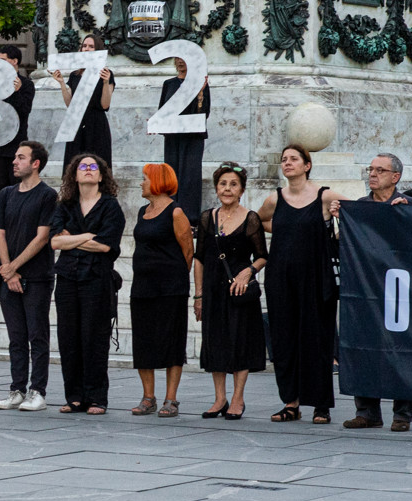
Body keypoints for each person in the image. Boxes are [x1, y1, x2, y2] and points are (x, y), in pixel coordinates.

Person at [257, 144, 346, 423]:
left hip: (316, 278)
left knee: (317, 340)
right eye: (284, 159)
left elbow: (357, 210)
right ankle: (291, 403)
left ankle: (321, 405)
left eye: (294, 159)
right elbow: (257, 221)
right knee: (284, 340)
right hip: (281, 278)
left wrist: (337, 215)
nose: (287, 163)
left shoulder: (324, 195)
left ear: (307, 165)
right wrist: (284, 227)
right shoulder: (275, 199)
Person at [344, 152, 412, 431]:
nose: (372, 174)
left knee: (402, 349)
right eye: (370, 169)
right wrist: (342, 220)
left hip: (399, 291)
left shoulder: (408, 204)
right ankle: (367, 410)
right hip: (367, 290)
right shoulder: (361, 207)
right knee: (364, 348)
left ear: (395, 177)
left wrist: (406, 216)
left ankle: (402, 414)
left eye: (380, 170)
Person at [49, 151, 125, 414]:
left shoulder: (110, 206)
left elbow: (106, 246)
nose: (89, 169)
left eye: (94, 166)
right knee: (68, 338)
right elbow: (55, 241)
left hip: (97, 279)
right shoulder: (65, 205)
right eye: (84, 166)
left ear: (102, 175)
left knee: (94, 338)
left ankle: (96, 398)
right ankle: (75, 397)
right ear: (74, 174)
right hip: (68, 278)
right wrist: (88, 236)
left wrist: (74, 238)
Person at [194, 162, 267, 419]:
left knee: (240, 341)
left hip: (239, 291)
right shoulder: (207, 217)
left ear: (242, 190)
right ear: (216, 187)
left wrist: (248, 271)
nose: (227, 188)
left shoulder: (251, 218)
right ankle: (219, 398)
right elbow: (199, 258)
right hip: (213, 290)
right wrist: (199, 294)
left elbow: (261, 256)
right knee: (215, 341)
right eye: (223, 183)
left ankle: (237, 398)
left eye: (233, 184)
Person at [0, 140, 56, 413]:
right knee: (16, 336)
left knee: (37, 335)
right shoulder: (6, 193)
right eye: (15, 158)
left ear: (35, 163)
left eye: (20, 158)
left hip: (37, 276)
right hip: (9, 277)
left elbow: (42, 237)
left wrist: (14, 267)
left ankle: (37, 390)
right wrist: (8, 271)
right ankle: (16, 389)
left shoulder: (47, 195)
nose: (14, 162)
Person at [129, 163, 195, 417]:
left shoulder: (176, 212)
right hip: (143, 286)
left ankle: (171, 399)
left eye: (145, 178)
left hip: (170, 288)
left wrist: (174, 277)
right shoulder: (141, 212)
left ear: (157, 182)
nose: (141, 183)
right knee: (143, 341)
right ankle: (148, 397)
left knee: (171, 341)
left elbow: (188, 250)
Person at [157, 57, 211, 222]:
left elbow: (204, 113)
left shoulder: (200, 83)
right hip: (173, 137)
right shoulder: (169, 84)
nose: (181, 62)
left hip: (193, 137)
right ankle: (170, 215)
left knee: (190, 177)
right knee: (171, 175)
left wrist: (200, 93)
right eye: (177, 59)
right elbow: (162, 111)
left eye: (184, 58)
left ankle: (190, 219)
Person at [0, 45, 35, 199]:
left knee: (17, 189)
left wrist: (17, 92)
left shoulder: (26, 85)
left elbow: (25, 111)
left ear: (14, 61)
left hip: (16, 146)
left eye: (3, 60)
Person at [52, 54, 114, 167]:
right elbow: (70, 104)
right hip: (76, 124)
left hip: (96, 123)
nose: (87, 49)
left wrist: (105, 82)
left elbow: (105, 105)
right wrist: (61, 83)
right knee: (74, 162)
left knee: (98, 162)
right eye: (84, 46)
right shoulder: (74, 75)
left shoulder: (106, 73)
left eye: (91, 47)